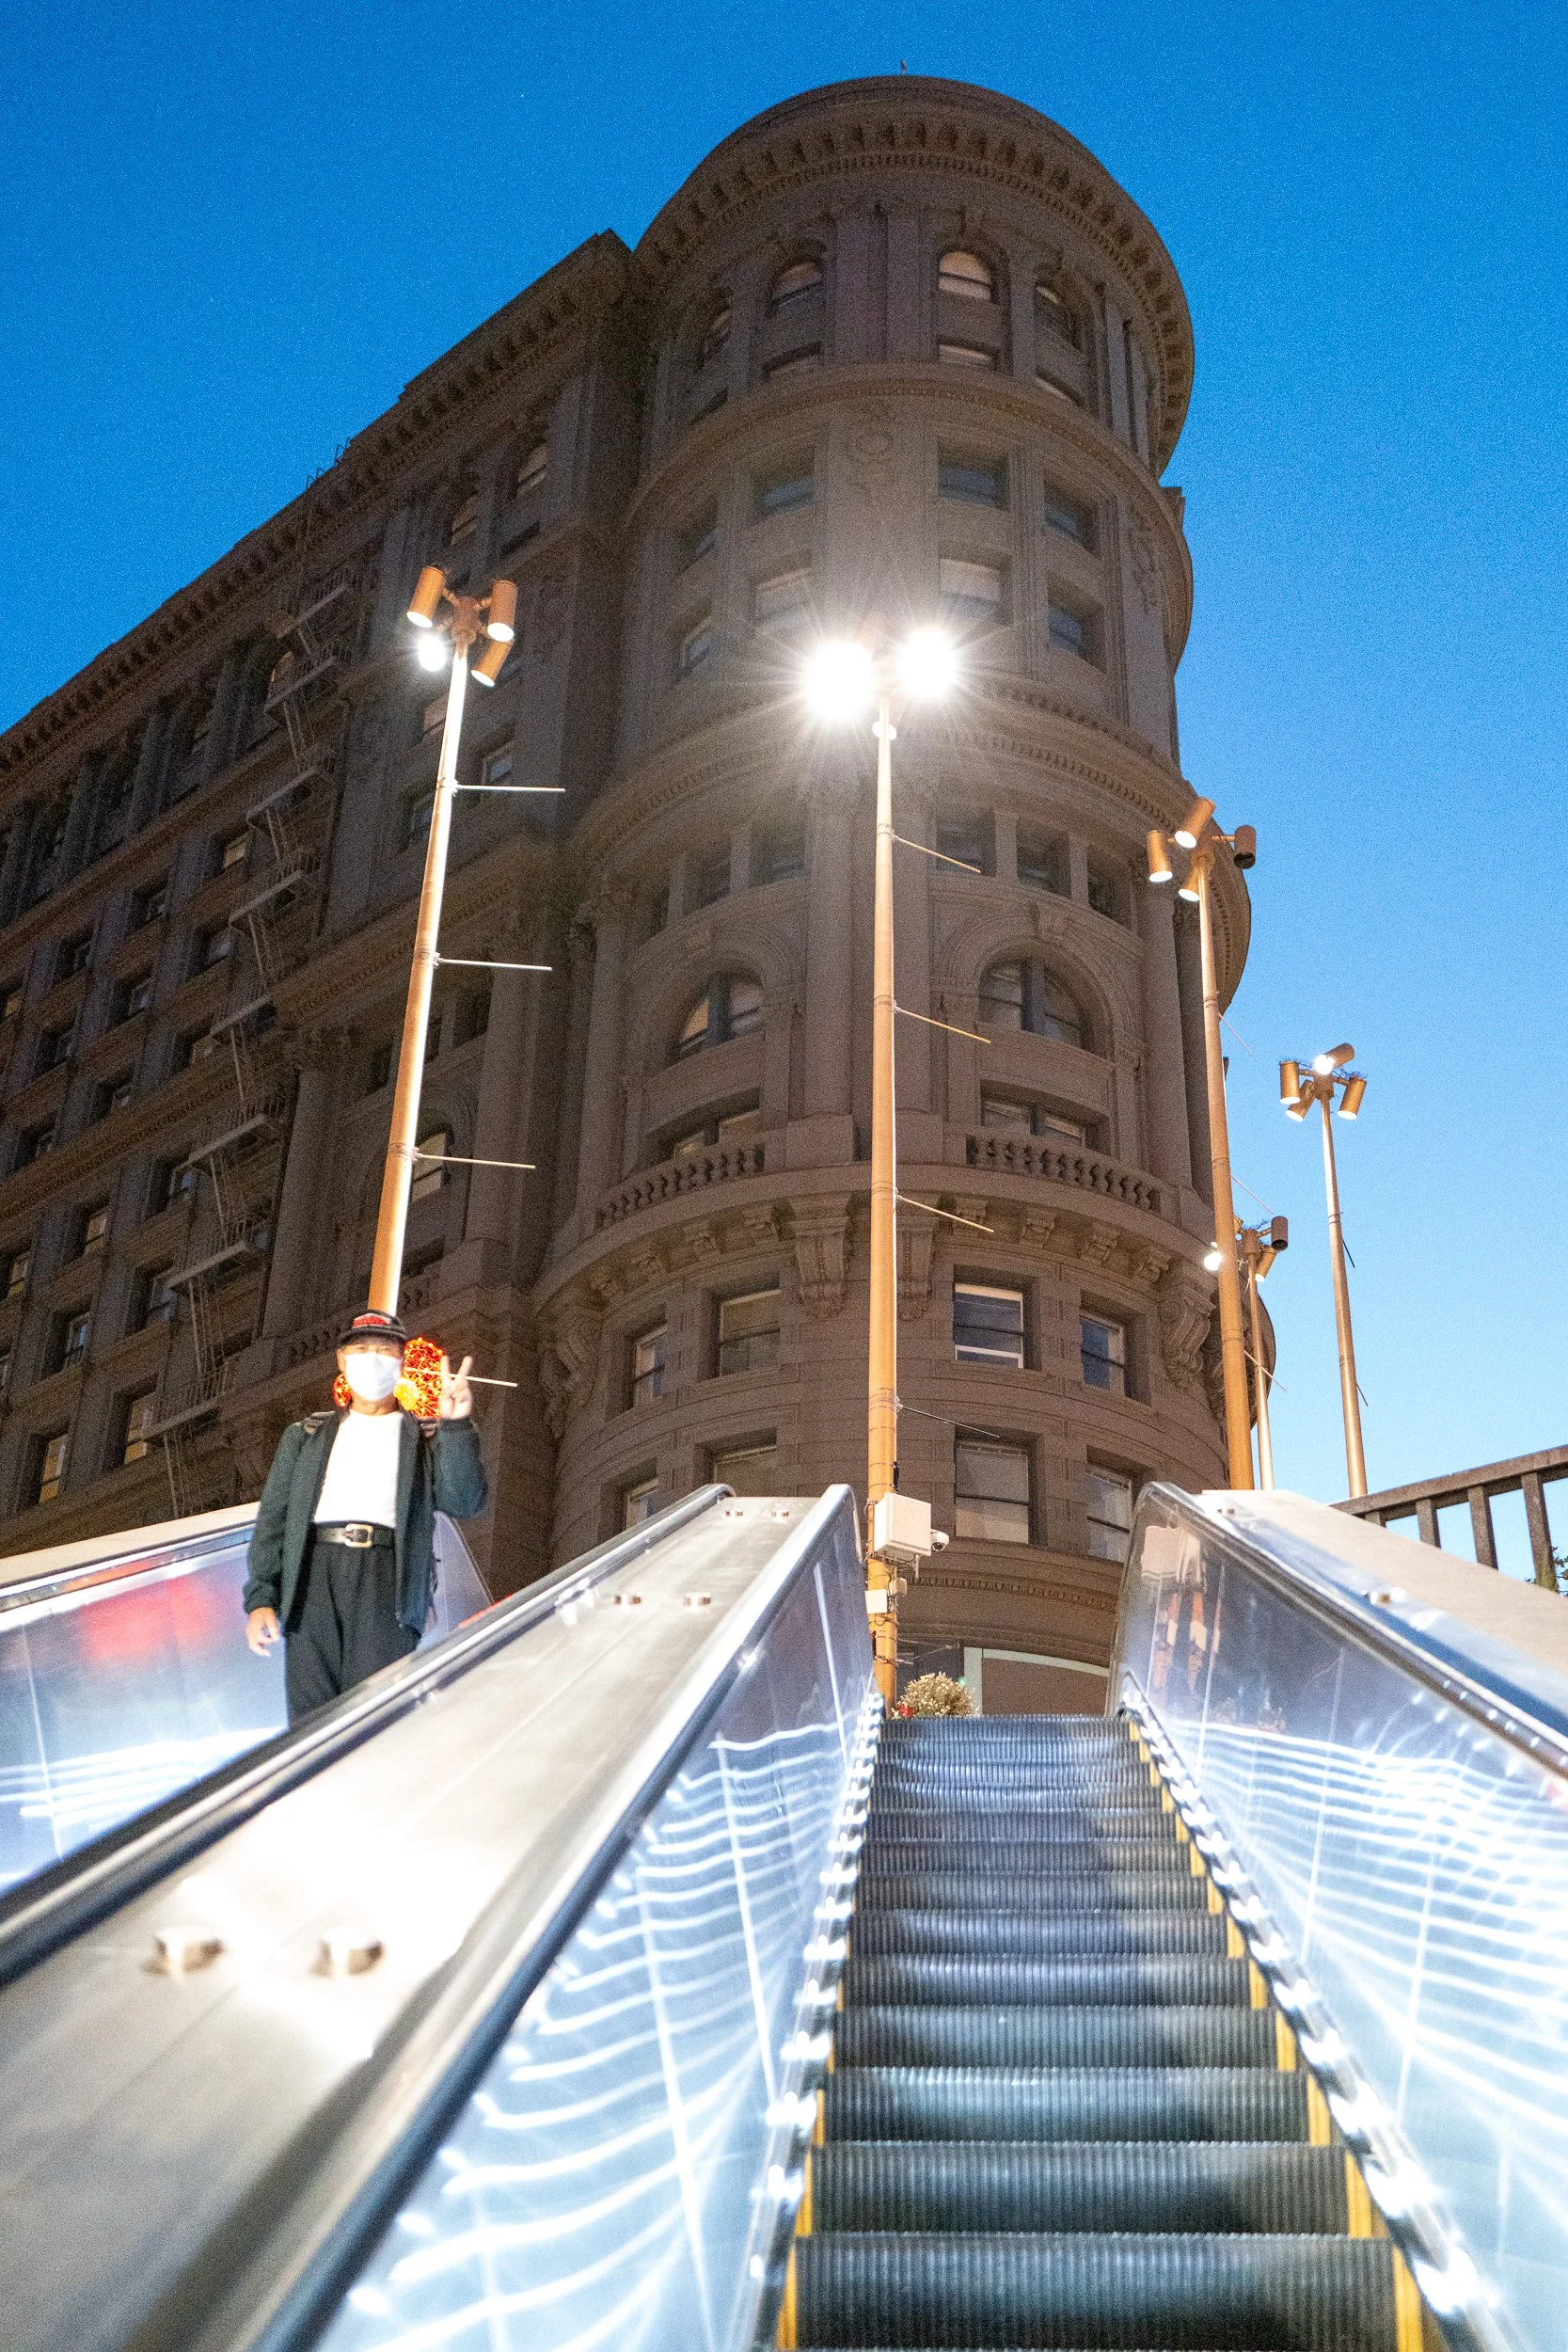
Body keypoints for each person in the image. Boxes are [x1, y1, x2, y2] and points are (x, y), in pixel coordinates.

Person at [243, 1308, 488, 1722]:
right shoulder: (306, 1435)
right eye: (361, 1350)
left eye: (384, 1351)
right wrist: (261, 1599)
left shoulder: (425, 1436)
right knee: (311, 1718)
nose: (372, 1359)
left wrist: (456, 1425)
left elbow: (465, 1501)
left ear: (402, 1363)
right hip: (312, 1575)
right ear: (341, 1361)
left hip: (385, 1577)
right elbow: (273, 1523)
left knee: (371, 1714)